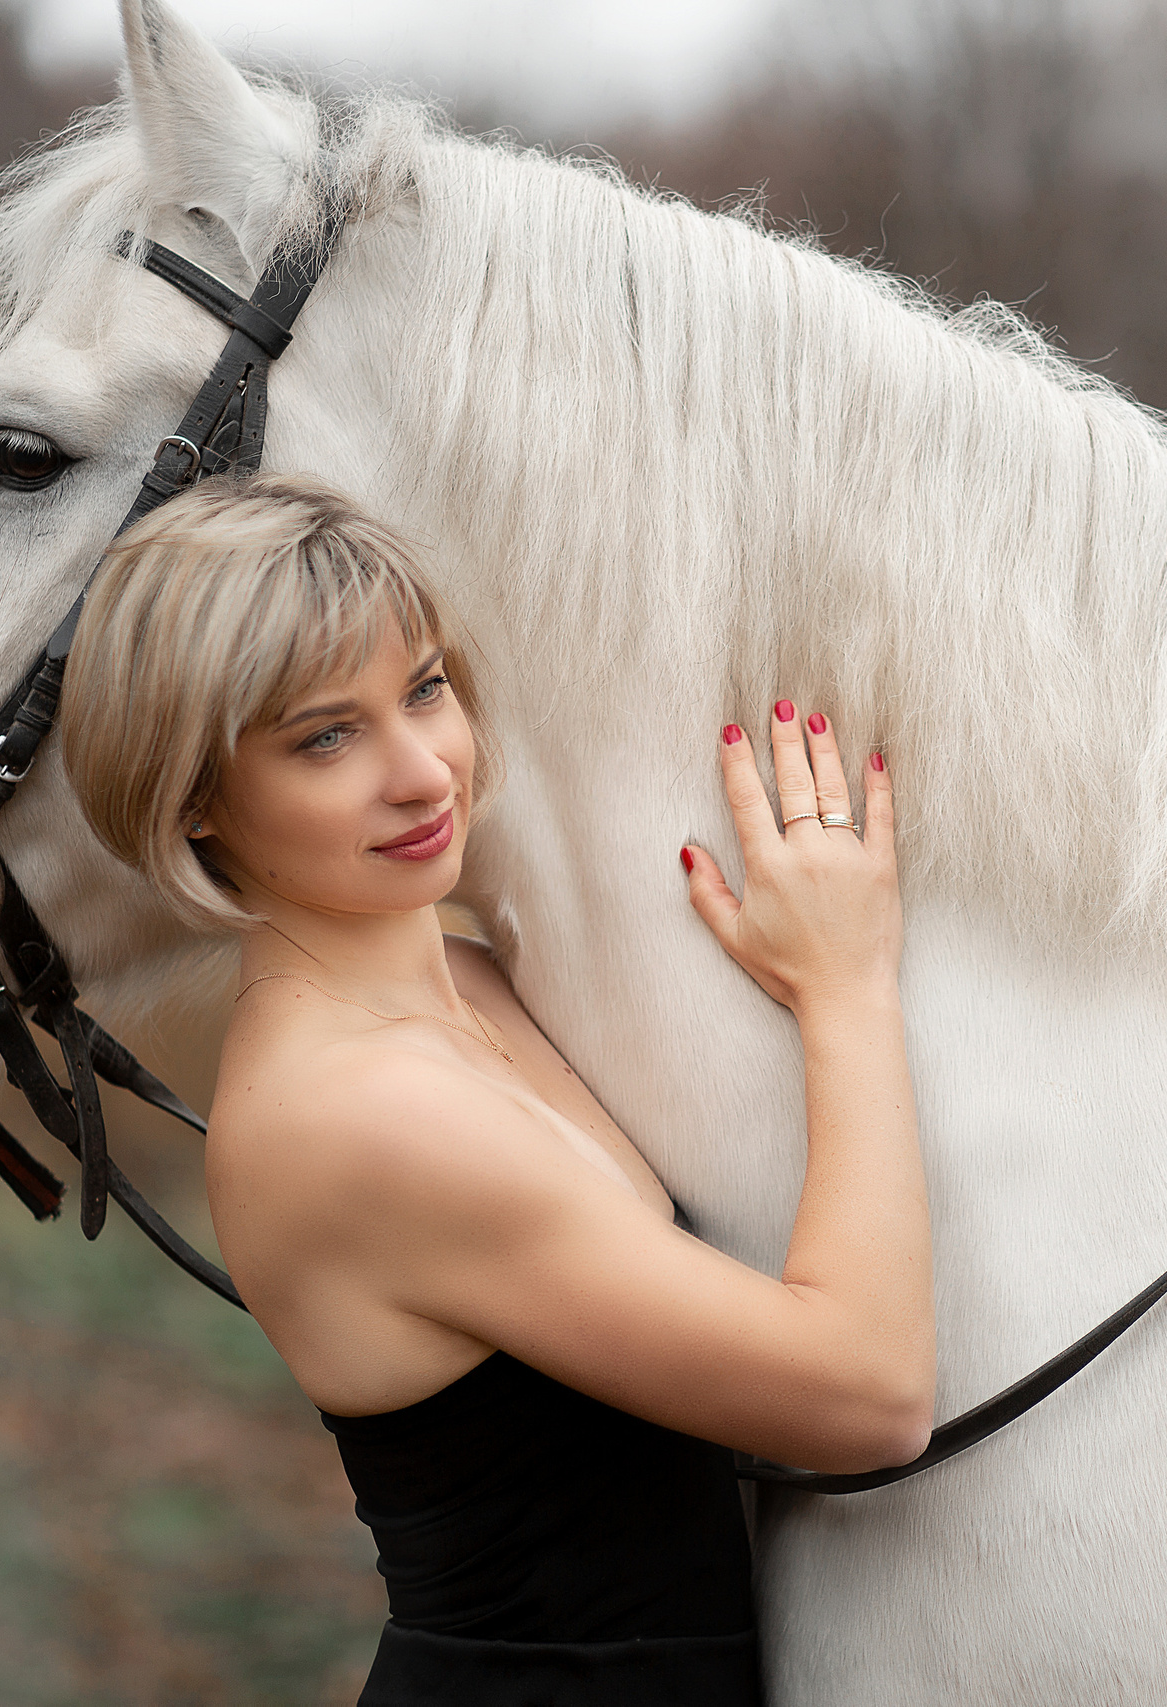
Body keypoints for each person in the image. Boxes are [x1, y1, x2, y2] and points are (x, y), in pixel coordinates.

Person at [60, 473, 932, 1706]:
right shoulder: (354, 1116)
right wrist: (848, 989)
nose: (423, 773)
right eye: (325, 736)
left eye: (422, 690)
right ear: (193, 799)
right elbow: (868, 1397)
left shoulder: (468, 977)